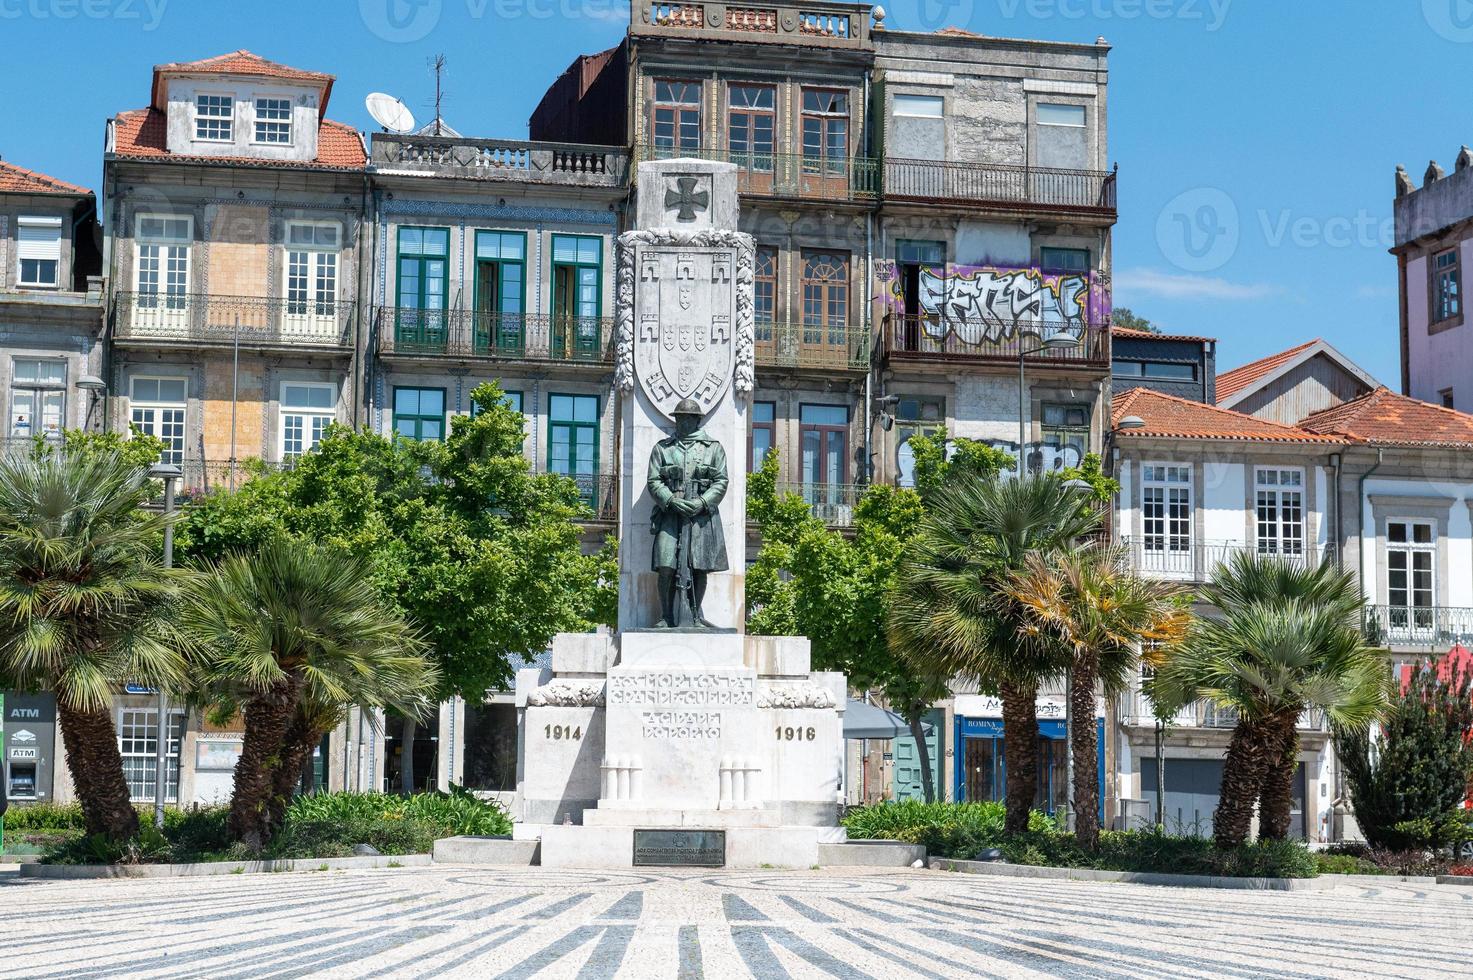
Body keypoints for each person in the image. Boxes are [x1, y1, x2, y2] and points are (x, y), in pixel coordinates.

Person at [648, 398, 729, 628]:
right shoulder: (663, 449)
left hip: (701, 516)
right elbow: (654, 481)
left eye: (686, 418)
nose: (681, 422)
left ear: (697, 420)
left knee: (699, 565)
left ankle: (694, 616)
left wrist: (702, 502)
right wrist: (671, 500)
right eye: (679, 417)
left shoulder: (713, 448)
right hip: (670, 514)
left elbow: (721, 481)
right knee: (665, 563)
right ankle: (666, 616)